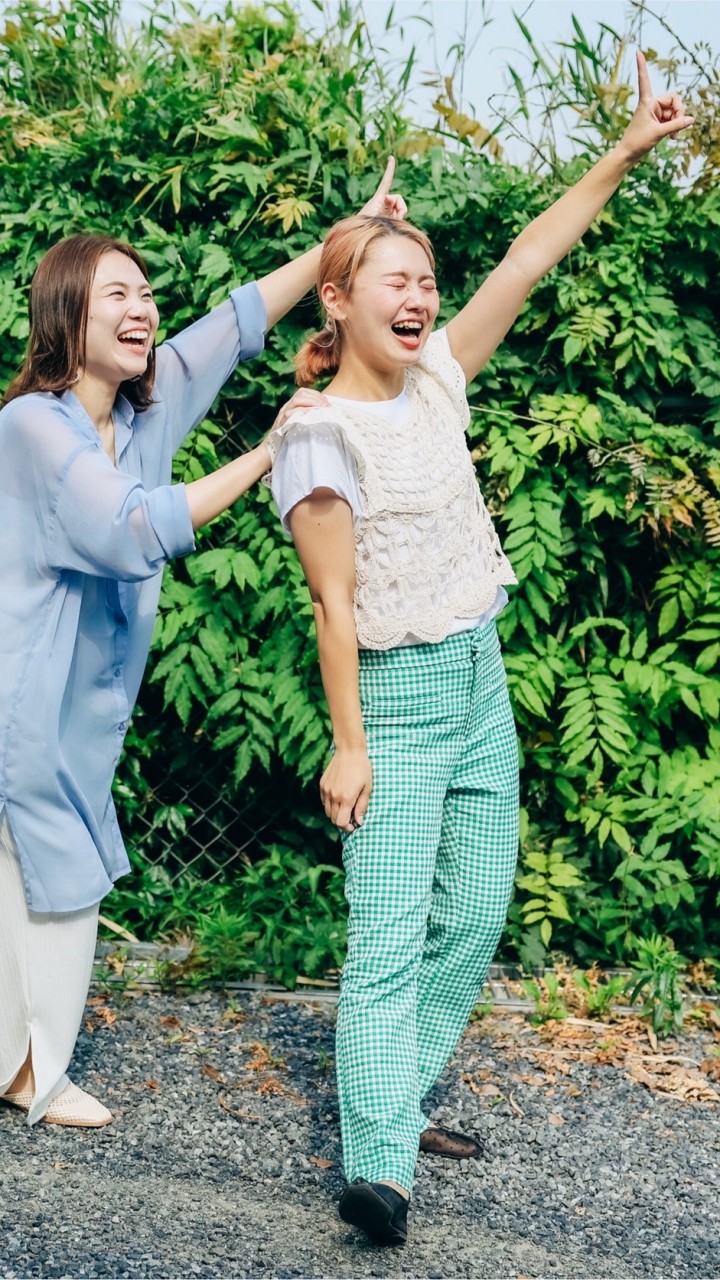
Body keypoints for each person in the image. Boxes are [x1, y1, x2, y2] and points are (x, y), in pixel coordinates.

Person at [269, 54, 692, 1246]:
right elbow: (334, 607)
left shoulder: (441, 374)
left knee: (477, 907)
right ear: (338, 302)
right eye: (396, 280)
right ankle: (380, 1162)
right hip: (395, 698)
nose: (421, 295)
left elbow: (530, 256)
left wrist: (627, 147)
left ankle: (398, 1090)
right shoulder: (315, 434)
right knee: (390, 929)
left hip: (479, 675)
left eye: (427, 281)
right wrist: (350, 744)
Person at [0, 164, 406, 1129]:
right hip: (20, 690)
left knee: (30, 870)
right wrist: (271, 450)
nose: (143, 310)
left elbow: (236, 321)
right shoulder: (29, 425)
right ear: (67, 318)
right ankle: (38, 1073)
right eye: (118, 296)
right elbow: (127, 527)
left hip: (82, 699)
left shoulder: (144, 408)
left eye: (146, 293)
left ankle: (20, 1061)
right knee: (55, 872)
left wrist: (344, 239)